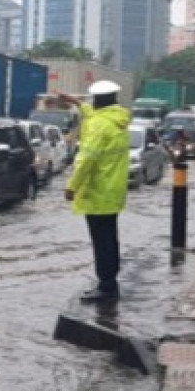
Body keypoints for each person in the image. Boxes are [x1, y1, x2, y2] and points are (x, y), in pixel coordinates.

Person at [56, 80, 130, 303]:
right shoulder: (117, 119)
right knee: (110, 239)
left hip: (98, 192)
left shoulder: (99, 126)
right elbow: (90, 111)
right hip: (113, 191)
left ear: (97, 101)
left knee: (102, 242)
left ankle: (106, 287)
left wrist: (72, 186)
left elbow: (87, 159)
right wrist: (74, 101)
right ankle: (110, 283)